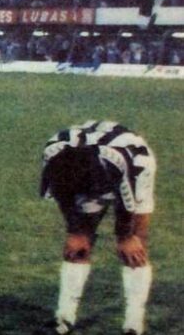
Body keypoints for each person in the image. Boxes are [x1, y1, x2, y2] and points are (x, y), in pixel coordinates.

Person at [38, 121, 156, 335]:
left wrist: (125, 237)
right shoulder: (53, 157)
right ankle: (64, 318)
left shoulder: (119, 163)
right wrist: (75, 231)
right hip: (89, 168)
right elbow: (62, 196)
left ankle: (133, 324)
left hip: (134, 167)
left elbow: (126, 205)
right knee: (78, 245)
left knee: (134, 245)